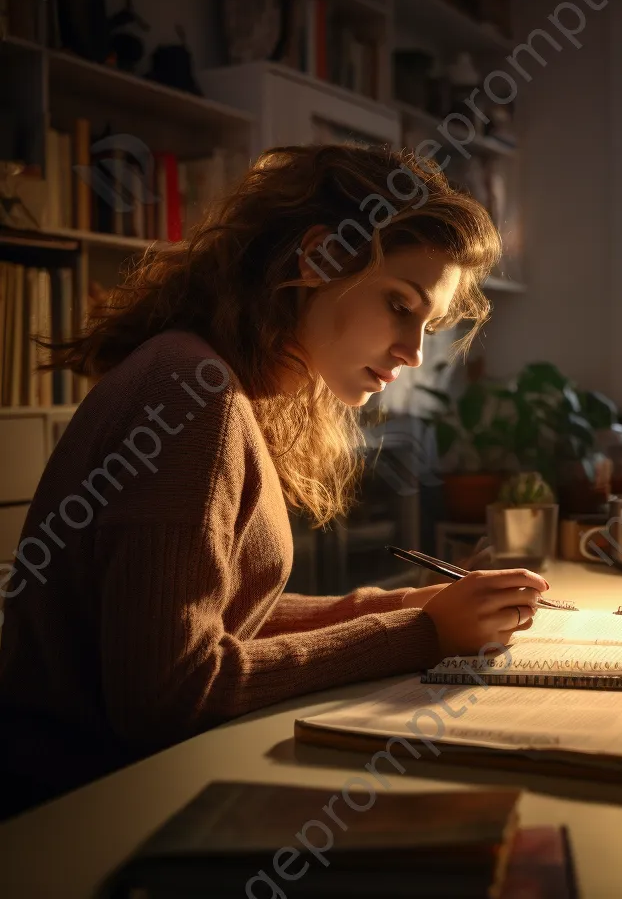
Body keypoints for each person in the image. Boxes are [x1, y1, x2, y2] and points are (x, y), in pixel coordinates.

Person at [0, 144, 548, 818]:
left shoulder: (207, 379)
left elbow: (220, 613)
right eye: (399, 304)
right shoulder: (191, 397)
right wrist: (421, 635)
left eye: (428, 325)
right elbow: (164, 696)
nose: (414, 353)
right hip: (76, 816)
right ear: (316, 259)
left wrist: (410, 607)